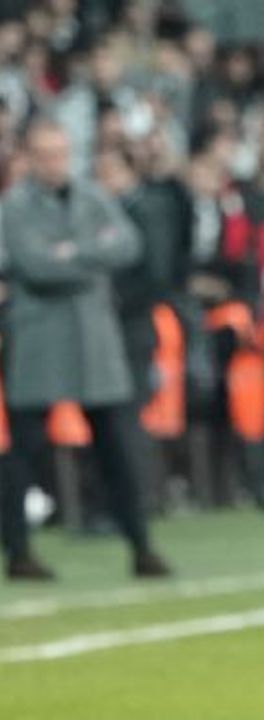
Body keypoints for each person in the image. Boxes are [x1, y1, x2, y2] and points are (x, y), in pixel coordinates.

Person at [0, 120, 171, 580]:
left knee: (118, 448)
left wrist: (68, 253)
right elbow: (34, 264)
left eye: (60, 153)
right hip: (39, 340)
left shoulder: (91, 195)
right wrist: (91, 255)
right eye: (44, 154)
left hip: (94, 339)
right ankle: (18, 552)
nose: (54, 163)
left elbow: (128, 245)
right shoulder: (14, 205)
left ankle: (141, 546)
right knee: (23, 451)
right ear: (29, 158)